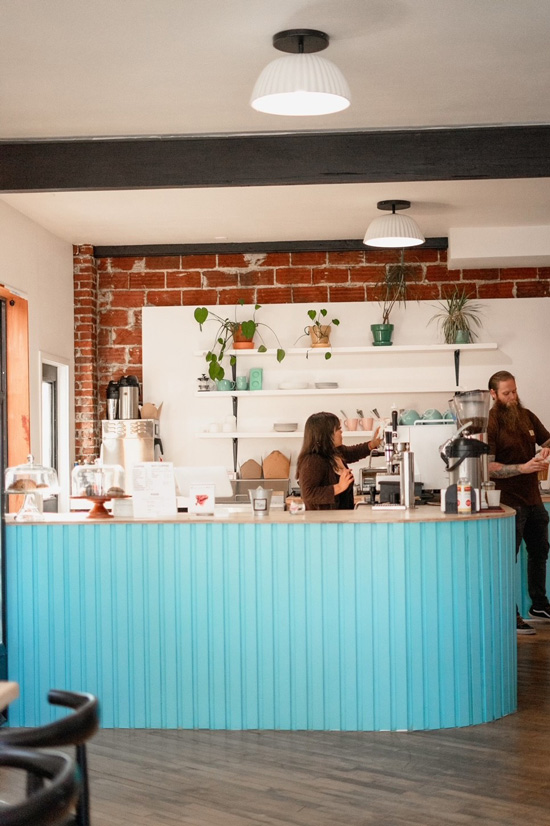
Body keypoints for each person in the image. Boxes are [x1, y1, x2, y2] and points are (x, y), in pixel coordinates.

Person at [487, 370, 550, 635]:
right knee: (506, 560)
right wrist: (522, 468)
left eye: (514, 391)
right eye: (506, 393)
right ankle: (509, 613)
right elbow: (488, 467)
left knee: (540, 551)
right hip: (508, 503)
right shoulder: (491, 422)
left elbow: (547, 439)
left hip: (533, 498)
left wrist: (546, 449)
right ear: (493, 395)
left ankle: (538, 604)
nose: (513, 397)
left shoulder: (527, 416)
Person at [296, 412, 382, 510]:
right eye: (338, 429)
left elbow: (354, 452)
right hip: (323, 523)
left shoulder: (334, 452)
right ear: (326, 434)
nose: (341, 432)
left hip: (340, 520)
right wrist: (339, 487)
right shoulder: (313, 460)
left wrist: (373, 444)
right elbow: (308, 494)